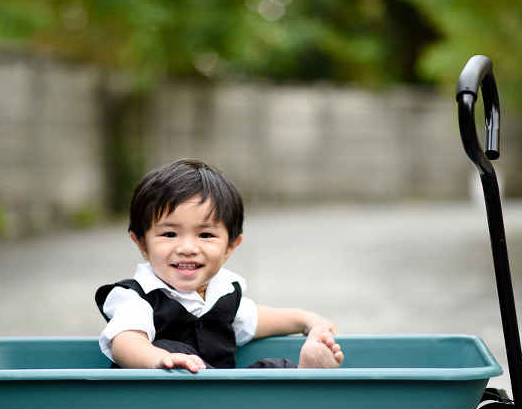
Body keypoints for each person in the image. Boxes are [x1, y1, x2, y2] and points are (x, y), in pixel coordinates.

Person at [96, 158, 344, 372]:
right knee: (169, 347)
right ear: (142, 244)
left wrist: (305, 320)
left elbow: (255, 318)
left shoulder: (222, 295)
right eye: (170, 234)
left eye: (205, 235)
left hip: (224, 400)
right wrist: (157, 359)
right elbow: (125, 340)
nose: (187, 247)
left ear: (230, 248)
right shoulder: (135, 297)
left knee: (271, 368)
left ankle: (304, 374)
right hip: (161, 399)